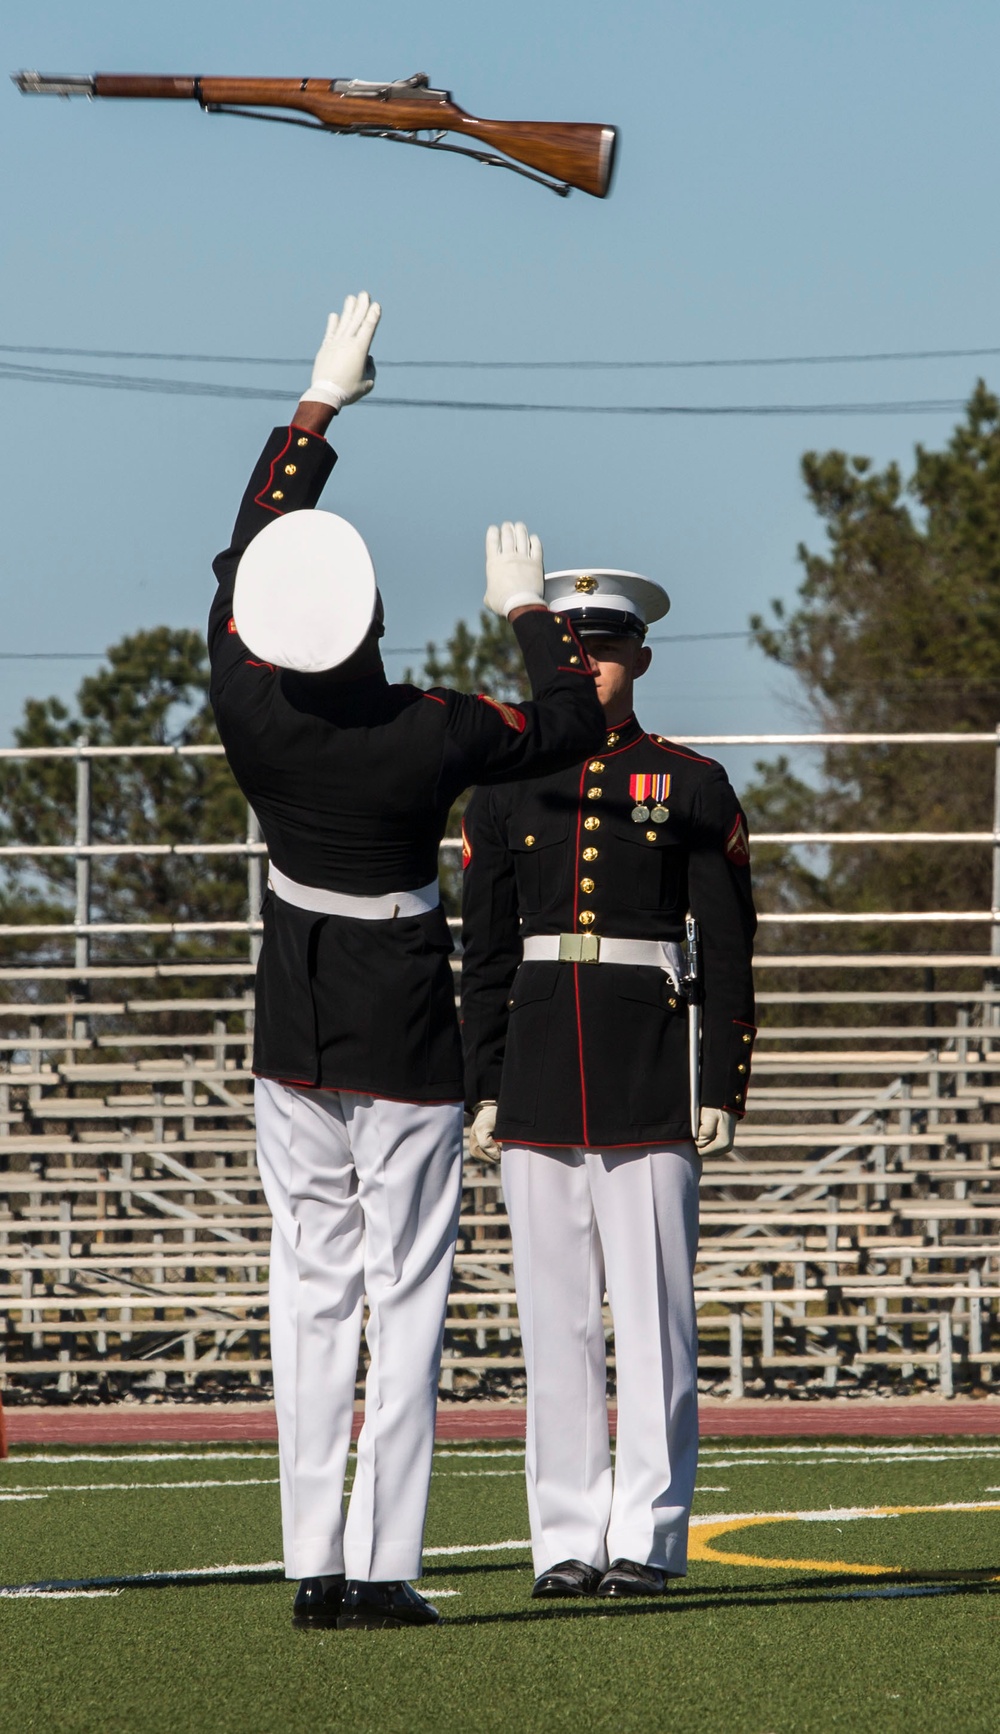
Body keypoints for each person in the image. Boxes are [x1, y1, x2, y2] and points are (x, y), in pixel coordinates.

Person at [207, 294, 604, 1630]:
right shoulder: (427, 730)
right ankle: (382, 1567)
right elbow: (561, 730)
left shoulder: (249, 704)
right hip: (406, 1036)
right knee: (406, 1290)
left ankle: (312, 1563)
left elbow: (243, 558)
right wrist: (528, 609)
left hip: (294, 1020)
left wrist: (316, 405)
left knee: (309, 1287)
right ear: (371, 616)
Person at [460, 567, 757, 1599]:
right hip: (538, 1063)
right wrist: (481, 1082)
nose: (588, 666)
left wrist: (720, 1078)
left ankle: (647, 1534)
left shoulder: (690, 782)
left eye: (607, 648)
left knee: (655, 1317)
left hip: (647, 1067)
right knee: (554, 1325)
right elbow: (485, 951)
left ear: (640, 657)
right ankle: (564, 1540)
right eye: (572, 649)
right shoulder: (502, 786)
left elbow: (728, 946)